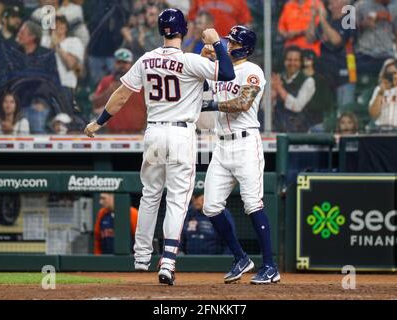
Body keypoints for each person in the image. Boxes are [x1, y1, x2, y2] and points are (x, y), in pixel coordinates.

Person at [84, 8, 235, 285]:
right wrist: (215, 42)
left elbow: (121, 94)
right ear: (184, 30)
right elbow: (226, 73)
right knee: (177, 199)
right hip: (180, 134)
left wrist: (99, 121)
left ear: (159, 30)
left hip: (153, 132)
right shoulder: (189, 60)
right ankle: (167, 261)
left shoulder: (146, 59)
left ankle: (141, 257)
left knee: (149, 195)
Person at [201, 25, 281, 284]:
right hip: (221, 146)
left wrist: (213, 104)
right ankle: (241, 258)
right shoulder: (221, 69)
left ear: (244, 47)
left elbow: (244, 103)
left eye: (232, 43)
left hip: (246, 143)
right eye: (228, 42)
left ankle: (270, 266)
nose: (227, 45)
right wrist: (204, 59)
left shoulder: (252, 70)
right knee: (210, 207)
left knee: (252, 204)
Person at [92, 48, 146, 134]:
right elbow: (95, 104)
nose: (122, 65)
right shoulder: (106, 81)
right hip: (112, 133)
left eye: (125, 62)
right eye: (119, 62)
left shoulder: (141, 81)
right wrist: (109, 92)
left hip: (137, 132)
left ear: (131, 64)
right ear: (114, 63)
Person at [315, 0, 357, 109]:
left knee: (345, 111)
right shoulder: (327, 21)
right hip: (326, 72)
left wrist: (323, 20)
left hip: (345, 71)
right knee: (327, 111)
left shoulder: (349, 20)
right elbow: (310, 38)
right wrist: (313, 17)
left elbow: (337, 41)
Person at [273, 46, 317, 133]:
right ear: (284, 61)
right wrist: (272, 93)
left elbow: (297, 106)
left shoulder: (308, 81)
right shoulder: (278, 78)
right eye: (289, 59)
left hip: (300, 132)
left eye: (296, 60)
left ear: (301, 62)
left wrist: (279, 89)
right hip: (278, 130)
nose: (292, 63)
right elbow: (265, 107)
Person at [50, 15, 84, 108]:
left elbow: (70, 64)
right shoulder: (45, 42)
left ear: (66, 27)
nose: (59, 26)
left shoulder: (74, 42)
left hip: (66, 86)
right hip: (47, 85)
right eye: (56, 24)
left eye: (62, 23)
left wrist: (57, 45)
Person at [354, 0, 396, 75]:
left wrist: (380, 15)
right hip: (365, 54)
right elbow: (349, 30)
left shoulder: (394, 5)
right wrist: (363, 24)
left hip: (387, 53)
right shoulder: (360, 5)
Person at [302, 49, 335, 132]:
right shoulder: (297, 77)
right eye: (304, 58)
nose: (306, 61)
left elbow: (327, 103)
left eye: (309, 58)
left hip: (316, 120)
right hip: (297, 121)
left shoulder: (321, 80)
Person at [187, 0, 252, 37]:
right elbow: (191, 20)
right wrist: (188, 41)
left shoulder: (238, 1)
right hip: (202, 40)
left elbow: (245, 23)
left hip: (227, 42)